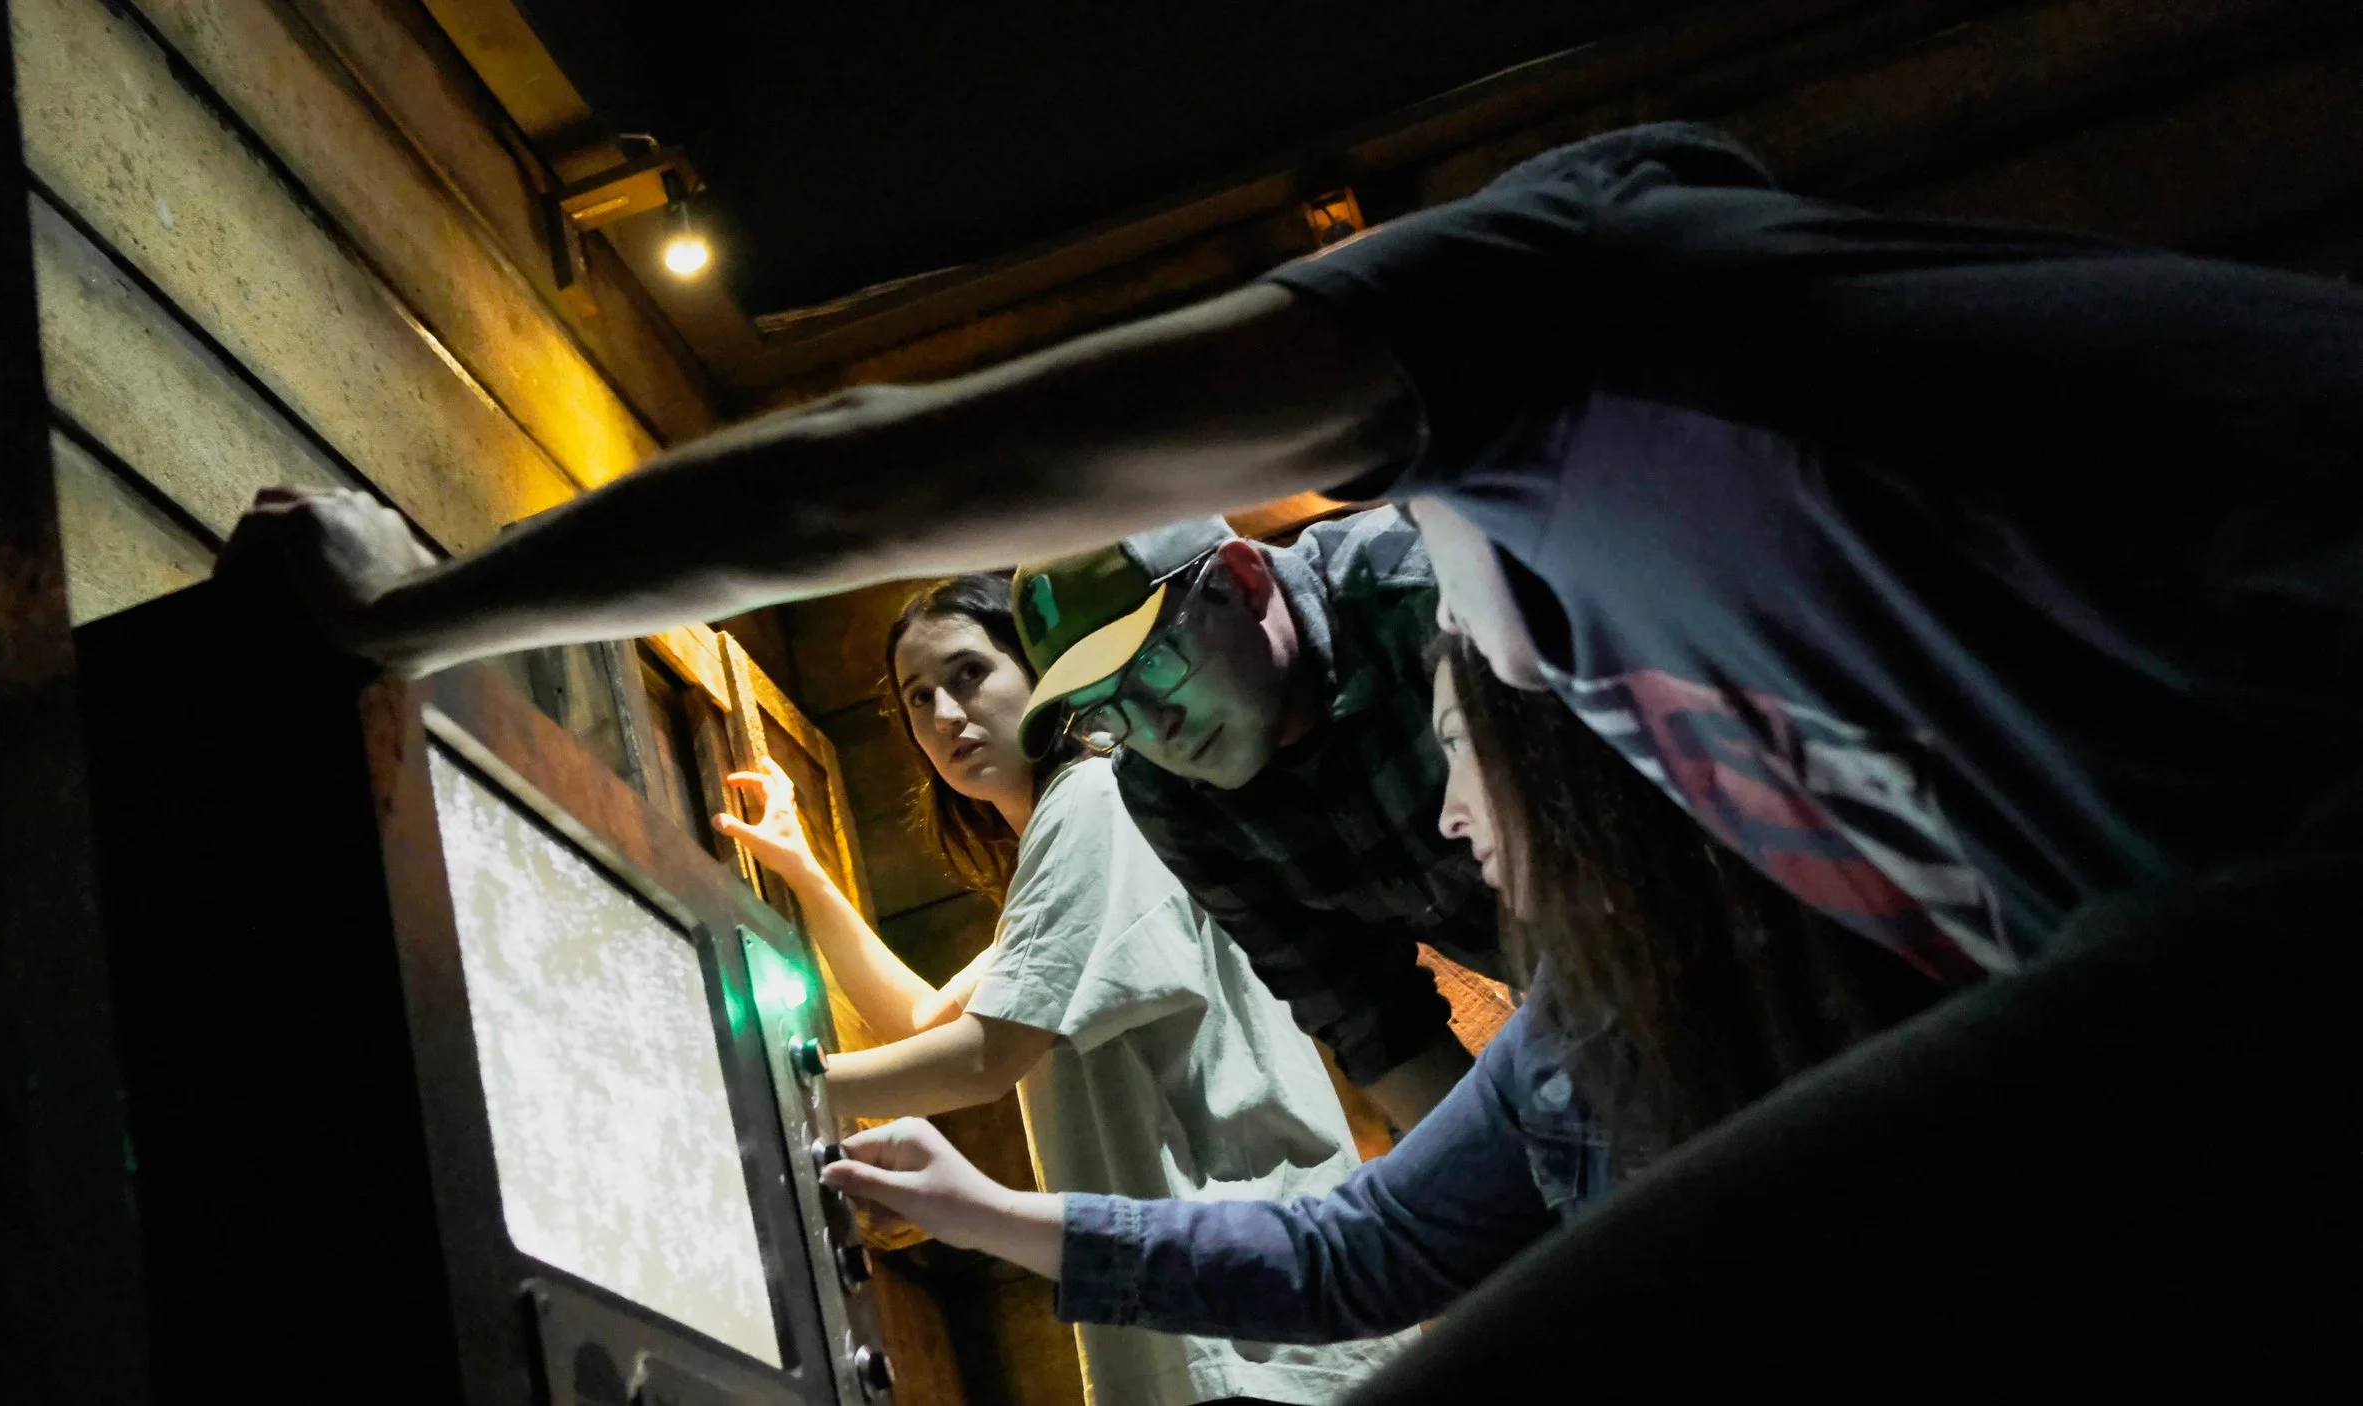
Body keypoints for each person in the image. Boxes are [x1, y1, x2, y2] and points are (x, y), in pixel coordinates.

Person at [225, 120, 2361, 1368]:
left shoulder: (1553, 326)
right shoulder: (1702, 836)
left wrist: (409, 614)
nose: (1446, 832)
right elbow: (1388, 1214)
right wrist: (987, 1212)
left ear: (1281, 569)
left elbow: (868, 482)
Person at [813, 634, 1933, 1334]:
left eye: (1460, 750)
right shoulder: (1559, 1048)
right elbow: (1360, 1246)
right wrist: (991, 1212)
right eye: (916, 697)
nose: (1444, 815)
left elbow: (976, 1046)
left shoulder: (1843, 960)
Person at [713, 572, 1411, 1406]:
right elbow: (928, 1019)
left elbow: (982, 1060)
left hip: (1251, 1330)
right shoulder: (1076, 833)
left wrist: (751, 1088)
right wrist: (803, 868)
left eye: (969, 674)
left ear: (1038, 672)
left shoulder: (1098, 800)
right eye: (918, 697)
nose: (944, 716)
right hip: (1237, 1311)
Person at [997, 509, 1504, 1131]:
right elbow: (1370, 1019)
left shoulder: (1426, 590)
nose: (1157, 731)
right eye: (1107, 707)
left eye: (1155, 665)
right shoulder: (1166, 791)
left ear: (1242, 579)